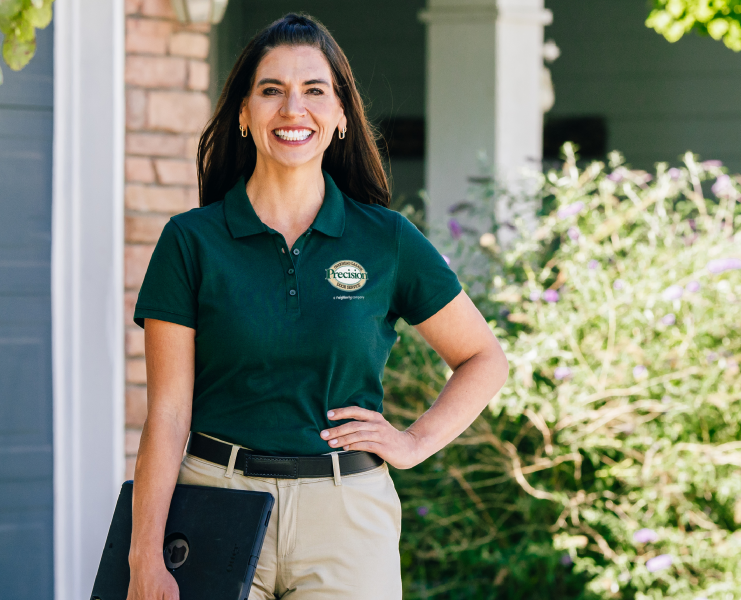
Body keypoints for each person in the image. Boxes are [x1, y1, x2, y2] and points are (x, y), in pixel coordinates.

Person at [125, 13, 509, 600]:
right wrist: (143, 554)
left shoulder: (387, 239)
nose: (292, 109)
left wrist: (412, 443)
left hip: (346, 520)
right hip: (214, 507)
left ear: (340, 119)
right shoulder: (191, 241)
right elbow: (168, 415)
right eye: (271, 90)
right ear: (244, 115)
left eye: (314, 91)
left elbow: (484, 357)